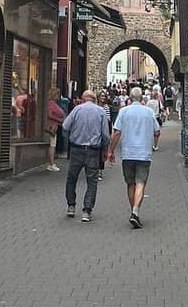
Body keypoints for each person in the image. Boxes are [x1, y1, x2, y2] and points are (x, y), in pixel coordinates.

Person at [106, 86, 160, 228]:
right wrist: (154, 142)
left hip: (128, 153)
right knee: (141, 182)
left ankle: (133, 211)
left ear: (129, 98)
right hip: (144, 154)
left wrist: (110, 151)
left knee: (130, 183)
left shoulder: (124, 111)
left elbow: (116, 133)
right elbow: (157, 131)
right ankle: (135, 212)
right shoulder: (149, 112)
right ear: (142, 98)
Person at [62, 89, 110, 221]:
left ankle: (71, 206)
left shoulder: (77, 110)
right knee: (92, 181)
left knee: (72, 178)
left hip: (76, 149)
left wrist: (73, 133)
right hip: (93, 151)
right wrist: (105, 150)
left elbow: (65, 126)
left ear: (83, 99)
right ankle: (87, 211)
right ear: (94, 99)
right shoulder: (100, 111)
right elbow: (105, 135)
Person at [45, 87, 65, 172]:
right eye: (57, 94)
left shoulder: (54, 103)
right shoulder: (51, 103)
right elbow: (49, 115)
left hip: (56, 126)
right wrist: (60, 120)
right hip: (52, 126)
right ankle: (51, 164)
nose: (58, 96)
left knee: (53, 144)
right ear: (54, 95)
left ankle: (51, 163)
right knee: (52, 145)